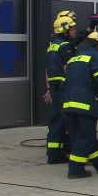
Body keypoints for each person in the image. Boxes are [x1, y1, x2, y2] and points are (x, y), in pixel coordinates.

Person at [62, 30, 98, 179]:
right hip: (84, 104)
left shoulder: (75, 57)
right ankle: (75, 169)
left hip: (68, 104)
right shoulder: (96, 56)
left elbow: (65, 81)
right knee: (85, 136)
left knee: (86, 135)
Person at [43, 15, 76, 164]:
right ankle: (56, 154)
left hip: (55, 85)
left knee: (57, 118)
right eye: (72, 28)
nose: (74, 31)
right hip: (63, 86)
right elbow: (68, 68)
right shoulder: (65, 46)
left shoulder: (52, 45)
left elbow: (48, 69)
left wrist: (49, 88)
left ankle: (55, 150)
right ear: (64, 30)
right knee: (63, 119)